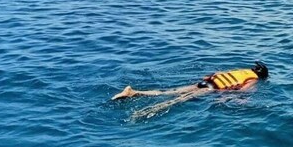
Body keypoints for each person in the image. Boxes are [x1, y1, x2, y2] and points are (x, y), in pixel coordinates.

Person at [112, 61, 269, 120]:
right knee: (177, 101)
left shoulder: (240, 71)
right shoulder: (253, 79)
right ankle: (140, 114)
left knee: (168, 92)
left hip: (204, 82)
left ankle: (132, 92)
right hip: (213, 88)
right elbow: (243, 92)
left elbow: (211, 75)